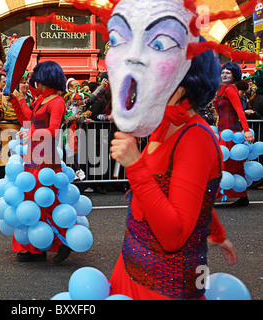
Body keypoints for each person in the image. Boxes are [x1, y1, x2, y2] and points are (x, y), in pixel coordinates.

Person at [104, 0, 238, 300]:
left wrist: (134, 164)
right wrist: (217, 234)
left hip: (164, 286)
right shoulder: (162, 126)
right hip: (129, 268)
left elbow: (174, 236)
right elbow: (194, 198)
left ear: (184, 79)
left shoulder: (196, 140)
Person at [9, 61, 70, 263]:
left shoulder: (56, 102)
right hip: (34, 155)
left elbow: (53, 130)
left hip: (46, 158)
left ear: (46, 79)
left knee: (47, 202)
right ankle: (37, 248)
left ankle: (63, 242)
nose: (35, 83)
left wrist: (31, 132)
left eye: (38, 79)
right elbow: (28, 118)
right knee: (32, 201)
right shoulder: (42, 100)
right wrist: (17, 100)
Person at [214, 62, 254, 207]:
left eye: (228, 73)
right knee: (223, 166)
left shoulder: (230, 90)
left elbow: (239, 111)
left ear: (234, 75)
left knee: (233, 166)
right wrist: (218, 116)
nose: (224, 75)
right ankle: (233, 196)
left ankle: (242, 197)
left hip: (232, 133)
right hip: (224, 133)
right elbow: (220, 107)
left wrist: (247, 130)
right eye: (223, 72)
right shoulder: (223, 90)